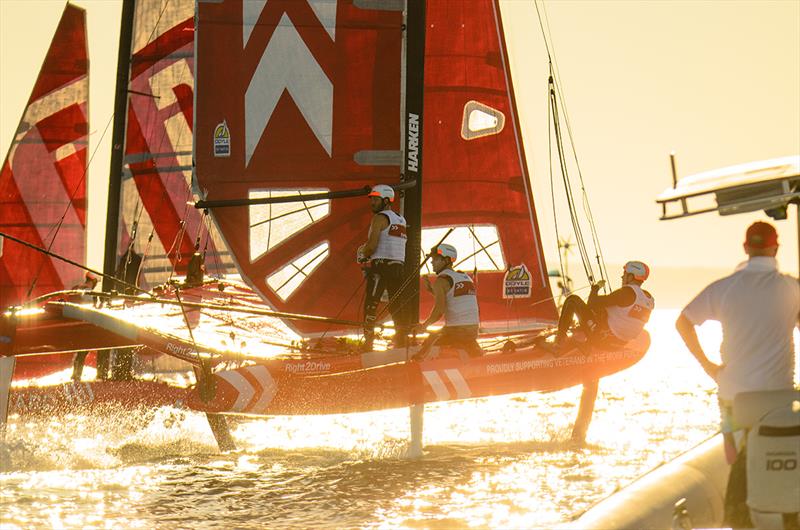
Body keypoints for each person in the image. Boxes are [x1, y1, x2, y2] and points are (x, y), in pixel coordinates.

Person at [675, 221, 799, 528]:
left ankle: (738, 516)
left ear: (746, 247)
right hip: (778, 400)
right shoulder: (791, 288)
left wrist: (709, 367)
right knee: (778, 462)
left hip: (734, 398)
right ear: (776, 248)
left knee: (737, 463)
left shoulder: (725, 288)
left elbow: (683, 322)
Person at [357, 184, 411, 350]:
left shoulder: (379, 218)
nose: (372, 202)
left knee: (371, 304)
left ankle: (368, 344)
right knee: (396, 305)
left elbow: (372, 246)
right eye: (371, 199)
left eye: (376, 199)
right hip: (399, 267)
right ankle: (402, 342)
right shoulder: (401, 219)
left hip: (381, 267)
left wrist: (362, 255)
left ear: (386, 200)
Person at [554, 260, 654, 349]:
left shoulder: (626, 292)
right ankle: (581, 333)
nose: (622, 276)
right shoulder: (649, 299)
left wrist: (596, 288)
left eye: (625, 273)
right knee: (604, 309)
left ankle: (559, 342)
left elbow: (592, 303)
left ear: (631, 276)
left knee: (572, 300)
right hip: (621, 343)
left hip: (603, 340)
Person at [412, 243, 482, 360]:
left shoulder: (441, 281)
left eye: (435, 259)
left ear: (445, 260)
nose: (431, 262)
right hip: (473, 331)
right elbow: (454, 297)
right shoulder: (465, 277)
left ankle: (417, 363)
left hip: (456, 331)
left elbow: (439, 311)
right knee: (438, 334)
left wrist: (423, 326)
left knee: (430, 341)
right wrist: (432, 290)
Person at [70, 272, 98, 381]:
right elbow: (90, 309)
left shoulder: (78, 288)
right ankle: (76, 375)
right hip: (85, 325)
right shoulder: (88, 292)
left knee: (81, 352)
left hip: (76, 324)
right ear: (93, 282)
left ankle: (75, 374)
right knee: (83, 351)